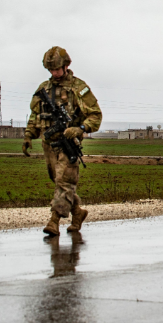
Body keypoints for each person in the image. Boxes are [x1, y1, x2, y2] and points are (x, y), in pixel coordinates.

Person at [23, 47, 102, 236]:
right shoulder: (44, 89)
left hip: (68, 146)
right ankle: (77, 213)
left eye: (57, 69)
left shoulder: (78, 88)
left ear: (66, 66)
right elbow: (36, 115)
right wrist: (28, 135)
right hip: (48, 145)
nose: (54, 73)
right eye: (51, 70)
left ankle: (53, 221)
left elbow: (95, 116)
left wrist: (80, 128)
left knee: (64, 184)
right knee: (58, 182)